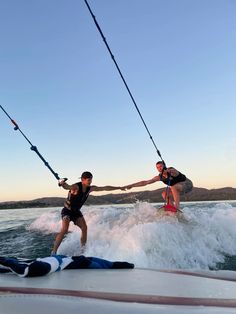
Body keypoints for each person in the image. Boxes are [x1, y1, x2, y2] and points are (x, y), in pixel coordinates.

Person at [52, 171, 124, 254]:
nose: (90, 182)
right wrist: (62, 183)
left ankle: (83, 250)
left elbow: (104, 188)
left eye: (91, 180)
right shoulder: (76, 187)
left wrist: (119, 187)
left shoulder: (90, 188)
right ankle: (54, 252)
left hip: (76, 212)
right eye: (88, 180)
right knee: (65, 229)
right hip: (67, 211)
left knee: (84, 228)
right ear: (82, 179)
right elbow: (67, 187)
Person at [124, 161, 193, 210]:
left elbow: (174, 171)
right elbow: (145, 182)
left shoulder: (172, 170)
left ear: (164, 166)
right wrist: (131, 185)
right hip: (178, 189)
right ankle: (172, 209)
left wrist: (168, 171)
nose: (159, 168)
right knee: (164, 194)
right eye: (157, 167)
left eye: (161, 166)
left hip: (187, 185)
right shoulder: (159, 177)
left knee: (173, 186)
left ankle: (176, 208)